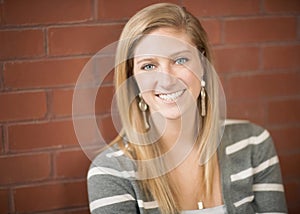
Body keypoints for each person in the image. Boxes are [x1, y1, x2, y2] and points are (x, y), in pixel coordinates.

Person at [87, 3, 287, 214]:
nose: (167, 81)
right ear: (133, 80)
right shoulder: (111, 172)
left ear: (203, 65)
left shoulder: (253, 144)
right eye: (148, 66)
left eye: (180, 60)